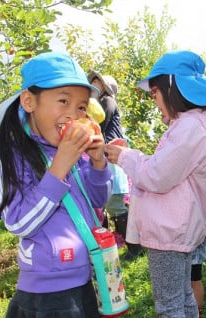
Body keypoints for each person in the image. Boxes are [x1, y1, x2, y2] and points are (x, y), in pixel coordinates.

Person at [0, 51, 112, 318]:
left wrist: (98, 162)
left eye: (80, 107)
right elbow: (19, 222)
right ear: (29, 101)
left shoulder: (72, 148)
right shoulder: (8, 155)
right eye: (63, 100)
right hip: (47, 295)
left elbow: (98, 202)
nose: (73, 114)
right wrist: (59, 168)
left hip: (85, 278)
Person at [105, 50, 206, 317]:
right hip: (179, 229)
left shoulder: (189, 128)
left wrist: (125, 156)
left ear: (172, 88)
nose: (154, 101)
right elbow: (170, 168)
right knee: (183, 296)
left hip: (169, 232)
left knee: (169, 304)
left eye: (155, 93)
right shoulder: (194, 124)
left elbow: (157, 176)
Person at [87, 70, 143, 260]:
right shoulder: (98, 103)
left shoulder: (107, 102)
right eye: (93, 81)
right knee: (103, 205)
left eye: (98, 82)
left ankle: (135, 248)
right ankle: (106, 247)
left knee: (115, 206)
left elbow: (98, 127)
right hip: (106, 156)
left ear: (105, 87)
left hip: (111, 156)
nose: (94, 83)